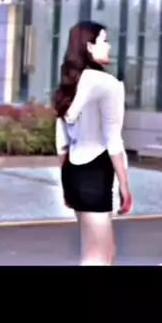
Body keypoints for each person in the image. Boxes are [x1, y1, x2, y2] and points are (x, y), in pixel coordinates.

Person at [54, 20, 132, 266]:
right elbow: (113, 138)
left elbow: (61, 142)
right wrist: (124, 184)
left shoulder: (70, 83)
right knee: (99, 256)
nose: (108, 46)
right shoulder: (107, 84)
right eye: (103, 40)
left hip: (74, 172)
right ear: (89, 46)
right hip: (96, 172)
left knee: (98, 252)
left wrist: (66, 183)